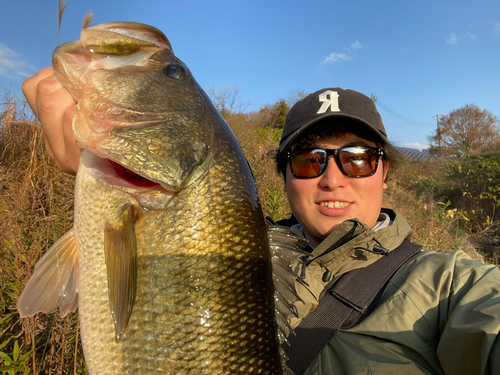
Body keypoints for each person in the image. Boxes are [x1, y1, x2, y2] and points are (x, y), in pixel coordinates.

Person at [23, 71, 500, 374]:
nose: (333, 178)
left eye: (356, 159)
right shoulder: (229, 254)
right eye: (310, 160)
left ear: (385, 172)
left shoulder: (452, 284)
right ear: (285, 176)